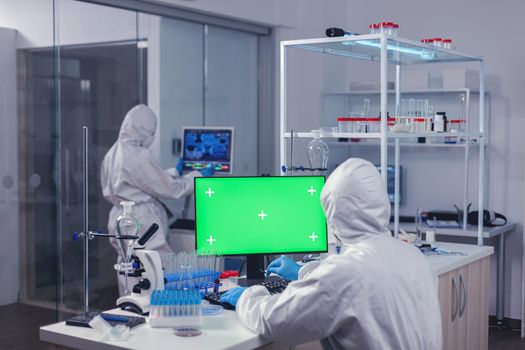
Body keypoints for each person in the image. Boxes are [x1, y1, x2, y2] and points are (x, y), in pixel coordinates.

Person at [221, 158, 442, 349]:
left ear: (333, 210)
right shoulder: (414, 257)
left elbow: (277, 321)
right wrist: (304, 272)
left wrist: (247, 297)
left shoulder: (346, 272)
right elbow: (355, 286)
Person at [101, 104, 213, 295]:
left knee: (130, 269)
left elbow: (143, 182)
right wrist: (198, 176)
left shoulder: (114, 151)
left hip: (119, 217)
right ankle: (158, 315)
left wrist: (176, 171)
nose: (152, 137)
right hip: (140, 220)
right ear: (143, 130)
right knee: (158, 270)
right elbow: (170, 190)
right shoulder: (137, 156)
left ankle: (131, 311)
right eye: (151, 132)